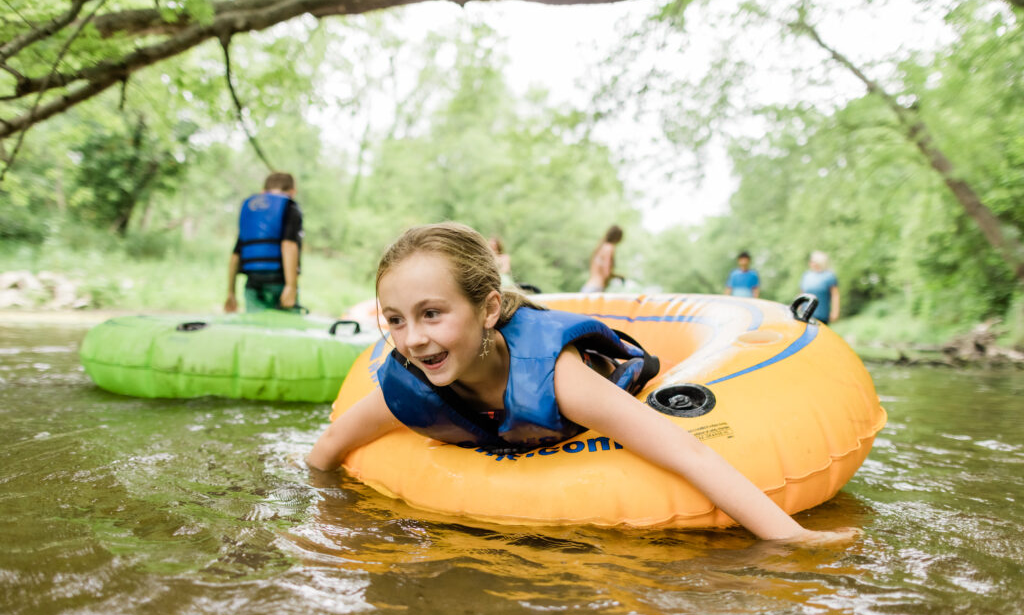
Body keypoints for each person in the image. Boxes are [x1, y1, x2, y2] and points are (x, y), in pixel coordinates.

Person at [308, 222, 855, 544]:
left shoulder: (559, 378)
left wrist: (792, 540)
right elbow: (328, 449)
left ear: (489, 308)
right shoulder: (410, 385)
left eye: (432, 314)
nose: (413, 340)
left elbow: (691, 455)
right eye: (396, 319)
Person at [224, 172, 303, 313]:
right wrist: (291, 286)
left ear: (263, 191)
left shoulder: (249, 210)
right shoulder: (289, 207)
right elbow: (289, 245)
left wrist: (231, 292)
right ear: (292, 192)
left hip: (252, 283)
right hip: (279, 282)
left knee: (256, 329)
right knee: (287, 330)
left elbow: (235, 255)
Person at [800, 251, 840, 324]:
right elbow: (802, 294)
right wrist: (797, 307)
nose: (811, 263)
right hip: (805, 314)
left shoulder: (829, 276)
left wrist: (835, 312)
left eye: (813, 261)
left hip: (821, 314)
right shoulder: (806, 275)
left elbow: (835, 295)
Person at [580, 225, 623, 293]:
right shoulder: (609, 248)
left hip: (588, 287)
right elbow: (606, 272)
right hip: (596, 288)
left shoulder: (601, 247)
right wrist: (619, 277)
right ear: (618, 237)